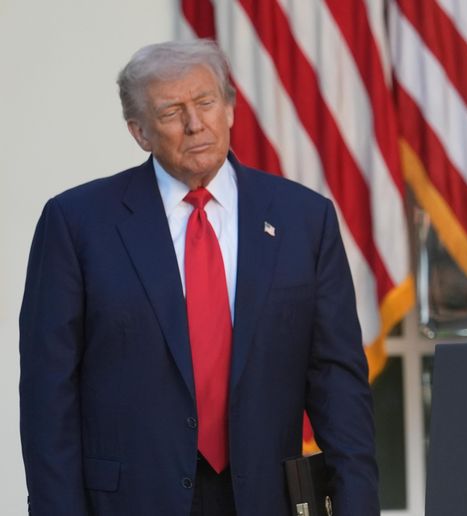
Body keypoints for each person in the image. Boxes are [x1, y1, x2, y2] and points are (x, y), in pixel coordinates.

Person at [19, 40, 378, 516]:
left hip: (265, 498)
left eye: (206, 102)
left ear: (229, 109)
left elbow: (338, 384)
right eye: (171, 112)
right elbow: (48, 394)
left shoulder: (304, 220)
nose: (195, 124)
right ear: (139, 132)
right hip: (130, 502)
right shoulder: (76, 223)